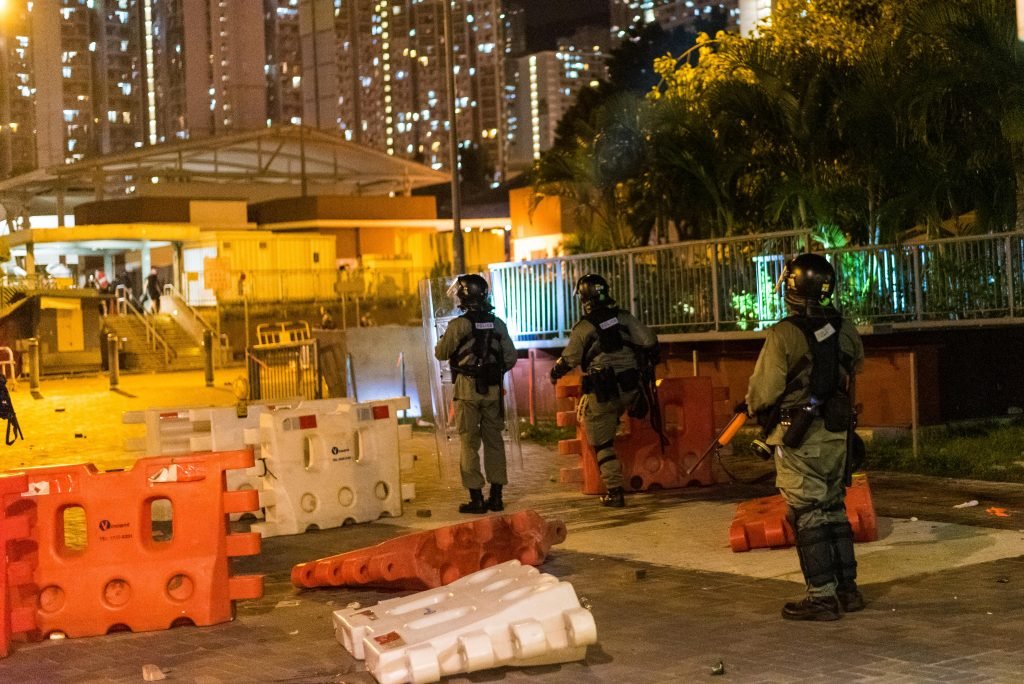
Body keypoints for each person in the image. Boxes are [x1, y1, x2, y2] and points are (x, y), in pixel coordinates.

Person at [742, 253, 865, 621]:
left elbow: (763, 392)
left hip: (800, 436)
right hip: (837, 435)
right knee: (833, 507)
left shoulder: (784, 333)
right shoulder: (844, 327)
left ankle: (822, 597)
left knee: (807, 512)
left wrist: (752, 407)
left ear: (793, 286)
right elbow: (855, 364)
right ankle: (848, 589)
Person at [549, 273, 659, 507]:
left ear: (584, 298)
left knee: (601, 442)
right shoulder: (624, 317)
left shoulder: (584, 327)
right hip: (631, 389)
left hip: (603, 392)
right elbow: (648, 340)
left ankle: (614, 492)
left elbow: (570, 359)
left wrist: (555, 372)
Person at [434, 274, 518, 514]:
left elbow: (441, 353)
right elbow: (510, 358)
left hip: (467, 390)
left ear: (463, 295)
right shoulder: (497, 323)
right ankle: (497, 497)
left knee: (469, 443)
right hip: (492, 391)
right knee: (495, 442)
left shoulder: (458, 325)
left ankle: (476, 499)